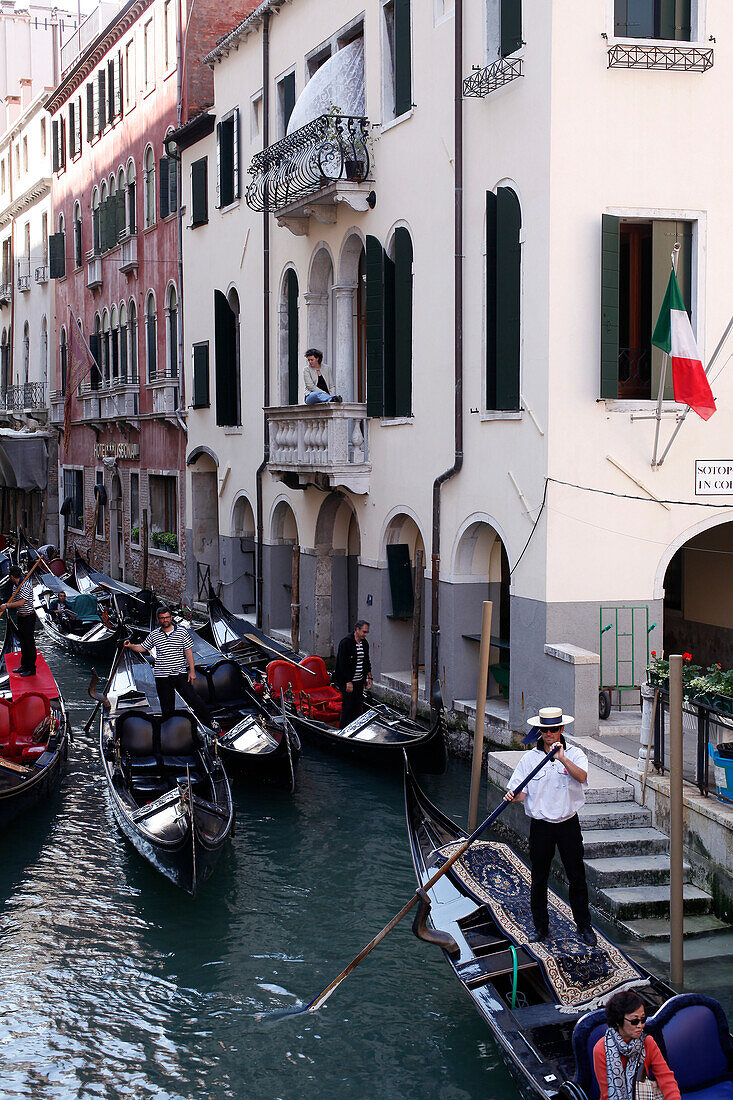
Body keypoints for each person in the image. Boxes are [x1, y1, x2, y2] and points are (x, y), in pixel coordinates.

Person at [504, 706, 597, 946]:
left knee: (576, 877)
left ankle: (584, 927)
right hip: (541, 826)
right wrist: (512, 796)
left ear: (561, 729)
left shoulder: (575, 754)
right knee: (539, 878)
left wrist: (562, 758)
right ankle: (540, 927)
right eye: (545, 730)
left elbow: (583, 777)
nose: (549, 734)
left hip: (568, 825)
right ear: (540, 731)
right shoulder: (529, 759)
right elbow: (521, 795)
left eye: (554, 729)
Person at [124, 607, 215, 728]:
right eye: (162, 618)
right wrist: (130, 645)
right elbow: (143, 647)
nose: (165, 620)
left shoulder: (182, 632)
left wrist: (192, 672)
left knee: (194, 698)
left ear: (171, 618)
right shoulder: (154, 634)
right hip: (162, 675)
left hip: (180, 673)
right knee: (167, 705)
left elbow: (188, 652)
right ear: (158, 620)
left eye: (167, 617)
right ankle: (169, 728)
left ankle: (210, 722)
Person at [593, 989, 680, 1100]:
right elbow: (607, 1094)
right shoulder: (601, 1049)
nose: (640, 1026)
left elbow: (666, 1078)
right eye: (634, 1021)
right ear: (618, 1021)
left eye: (643, 1020)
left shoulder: (647, 1042)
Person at [333, 620, 372, 729]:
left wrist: (369, 677)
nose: (365, 634)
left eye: (366, 632)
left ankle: (356, 729)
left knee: (357, 706)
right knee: (347, 707)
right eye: (364, 632)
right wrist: (348, 682)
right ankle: (343, 729)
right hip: (347, 681)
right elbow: (342, 664)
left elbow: (366, 661)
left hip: (359, 680)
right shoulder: (346, 642)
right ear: (357, 630)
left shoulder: (364, 643)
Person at [1, 564, 36, 676]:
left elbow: (21, 602)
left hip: (29, 617)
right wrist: (8, 605)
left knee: (29, 643)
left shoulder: (25, 585)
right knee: (23, 642)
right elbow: (15, 602)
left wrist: (6, 605)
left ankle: (31, 669)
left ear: (12, 576)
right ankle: (24, 666)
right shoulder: (16, 586)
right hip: (20, 616)